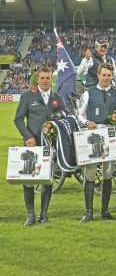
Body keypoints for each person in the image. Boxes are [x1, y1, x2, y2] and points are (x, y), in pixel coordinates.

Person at [13, 67, 67, 226]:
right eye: (42, 78)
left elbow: (66, 115)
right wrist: (27, 136)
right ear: (37, 79)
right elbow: (18, 119)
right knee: (28, 179)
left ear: (52, 80)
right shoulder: (28, 97)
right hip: (32, 144)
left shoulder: (57, 98)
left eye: (48, 78)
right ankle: (30, 215)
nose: (45, 80)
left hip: (51, 145)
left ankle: (43, 214)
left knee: (47, 180)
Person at [77, 63, 116, 222]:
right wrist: (87, 124)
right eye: (104, 75)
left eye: (109, 75)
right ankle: (88, 212)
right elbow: (79, 114)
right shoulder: (88, 93)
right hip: (93, 135)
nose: (107, 78)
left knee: (108, 174)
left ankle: (105, 211)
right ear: (98, 76)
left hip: (111, 135)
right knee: (91, 173)